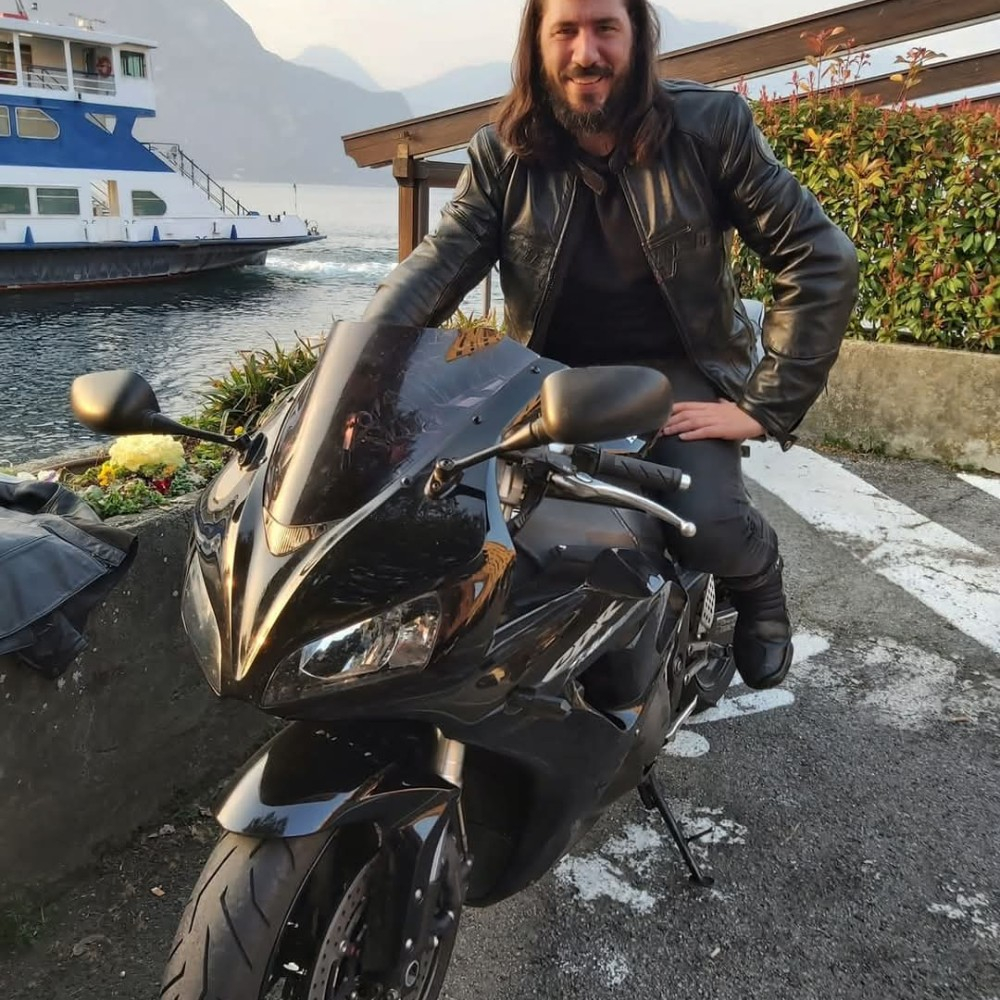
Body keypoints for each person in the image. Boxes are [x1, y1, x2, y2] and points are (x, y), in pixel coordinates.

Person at [363, 0, 859, 691]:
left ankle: (759, 577)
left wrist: (764, 406)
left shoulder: (710, 128)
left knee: (707, 526)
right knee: (481, 522)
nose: (585, 52)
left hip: (679, 370)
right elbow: (433, 269)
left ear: (637, 38)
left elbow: (820, 257)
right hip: (549, 376)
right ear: (537, 45)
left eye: (605, 28)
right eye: (565, 31)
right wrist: (366, 376)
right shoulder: (501, 153)